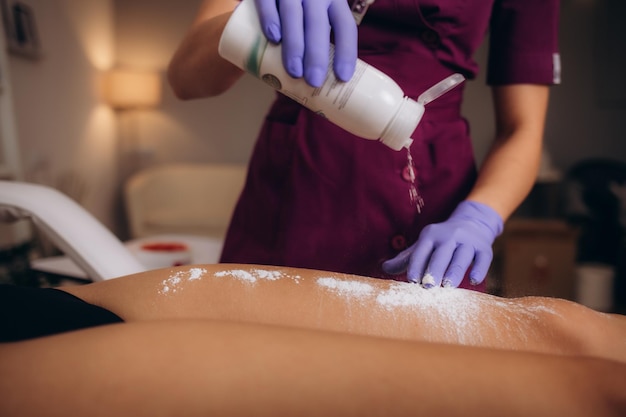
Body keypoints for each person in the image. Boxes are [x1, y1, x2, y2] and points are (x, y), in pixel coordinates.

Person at [167, 0, 560, 290]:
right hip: (296, 185)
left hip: (437, 201)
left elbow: (522, 129)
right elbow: (187, 80)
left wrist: (479, 218)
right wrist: (252, 13)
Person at [1, 264, 625, 416]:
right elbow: (188, 74)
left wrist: (483, 209)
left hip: (52, 316)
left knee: (561, 333)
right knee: (593, 393)